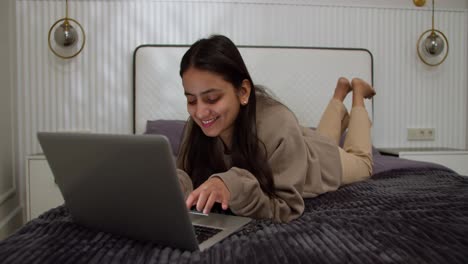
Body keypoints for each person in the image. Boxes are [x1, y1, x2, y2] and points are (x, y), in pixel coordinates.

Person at [176, 35, 376, 223]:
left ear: (243, 92)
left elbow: (288, 207)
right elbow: (184, 175)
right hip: (297, 144)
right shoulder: (197, 127)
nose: (200, 113)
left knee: (362, 162)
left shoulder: (278, 123)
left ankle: (357, 94)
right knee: (320, 138)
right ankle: (338, 96)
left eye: (212, 99)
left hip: (319, 163)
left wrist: (234, 185)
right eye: (191, 100)